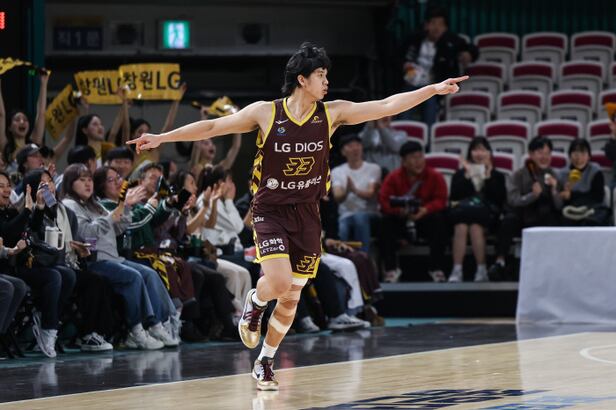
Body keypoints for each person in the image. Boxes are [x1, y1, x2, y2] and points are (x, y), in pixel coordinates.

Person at [128, 42, 466, 390]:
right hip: (270, 210)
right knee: (277, 282)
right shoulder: (266, 113)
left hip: (307, 212)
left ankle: (265, 361)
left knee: (291, 296)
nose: (326, 81)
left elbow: (384, 105)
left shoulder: (332, 113)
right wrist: (162, 137)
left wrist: (432, 89)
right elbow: (213, 127)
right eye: (321, 75)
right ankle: (256, 301)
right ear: (302, 79)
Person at [62, 163, 177, 349]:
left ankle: (156, 325)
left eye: (89, 179)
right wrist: (113, 215)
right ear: (70, 183)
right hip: (94, 261)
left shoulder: (93, 205)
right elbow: (86, 233)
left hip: (113, 258)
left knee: (149, 273)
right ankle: (136, 330)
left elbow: (118, 228)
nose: (87, 183)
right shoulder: (70, 205)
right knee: (133, 276)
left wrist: (125, 207)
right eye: (82, 180)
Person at [488, 137, 563, 280]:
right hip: (522, 216)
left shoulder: (554, 175)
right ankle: (500, 261)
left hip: (544, 217)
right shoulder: (518, 174)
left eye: (547, 153)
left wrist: (554, 190)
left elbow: (559, 205)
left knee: (553, 217)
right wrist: (532, 196)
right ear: (531, 154)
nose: (544, 157)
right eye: (540, 153)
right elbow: (513, 200)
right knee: (508, 220)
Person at [378, 141, 449, 283]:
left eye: (420, 157)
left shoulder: (435, 176)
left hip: (424, 217)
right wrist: (399, 211)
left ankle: (436, 268)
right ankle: (391, 269)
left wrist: (426, 209)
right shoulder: (393, 177)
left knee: (439, 221)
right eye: (413, 158)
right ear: (404, 162)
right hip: (401, 218)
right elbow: (384, 201)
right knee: (385, 222)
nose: (418, 162)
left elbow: (441, 200)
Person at [399, 7, 477, 127]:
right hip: (411, 81)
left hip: (434, 86)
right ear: (426, 25)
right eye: (433, 23)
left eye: (441, 24)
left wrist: (468, 54)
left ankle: (430, 134)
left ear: (445, 28)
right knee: (402, 105)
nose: (436, 28)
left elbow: (472, 49)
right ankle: (403, 131)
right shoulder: (414, 39)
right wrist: (405, 65)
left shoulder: (450, 41)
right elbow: (398, 56)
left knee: (430, 106)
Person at [448, 137, 506, 282]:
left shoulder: (497, 175)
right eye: (475, 150)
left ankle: (481, 269)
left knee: (475, 227)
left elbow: (499, 199)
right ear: (470, 153)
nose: (479, 153)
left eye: (483, 150)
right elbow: (454, 197)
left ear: (489, 153)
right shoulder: (460, 174)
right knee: (461, 227)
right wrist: (467, 176)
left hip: (488, 217)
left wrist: (488, 176)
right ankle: (457, 270)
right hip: (463, 215)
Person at [331, 133, 381, 254]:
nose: (355, 148)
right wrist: (347, 191)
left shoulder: (374, 168)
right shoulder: (337, 171)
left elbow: (370, 193)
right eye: (350, 146)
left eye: (358, 145)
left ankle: (364, 255)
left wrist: (354, 190)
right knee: (342, 226)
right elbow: (337, 197)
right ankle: (342, 259)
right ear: (343, 152)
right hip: (346, 215)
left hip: (370, 213)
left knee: (360, 217)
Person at [0, 73, 48, 170]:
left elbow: (41, 114)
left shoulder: (34, 143)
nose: (22, 121)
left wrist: (44, 83)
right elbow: (1, 115)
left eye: (25, 120)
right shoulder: (5, 146)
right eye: (17, 119)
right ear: (9, 127)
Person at [558, 139, 609, 226]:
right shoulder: (563, 174)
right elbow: (561, 203)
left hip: (592, 212)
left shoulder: (595, 171)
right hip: (570, 213)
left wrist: (572, 195)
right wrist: (563, 195)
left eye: (583, 153)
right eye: (575, 153)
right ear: (570, 155)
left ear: (589, 156)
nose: (579, 157)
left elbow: (598, 198)